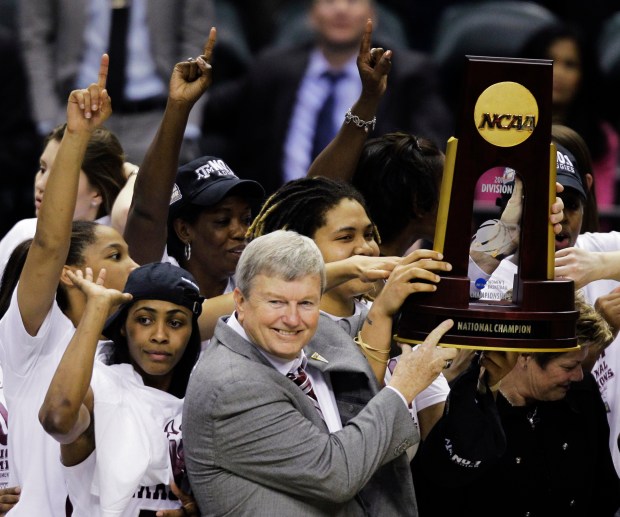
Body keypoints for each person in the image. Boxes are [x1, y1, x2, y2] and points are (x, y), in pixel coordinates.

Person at [183, 229, 458, 515]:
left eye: (306, 303)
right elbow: (336, 473)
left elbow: (366, 324)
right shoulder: (232, 386)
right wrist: (403, 389)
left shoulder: (311, 333)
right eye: (276, 302)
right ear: (240, 301)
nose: (291, 319)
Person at [0, 54, 137, 516]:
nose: (136, 266)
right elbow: (48, 243)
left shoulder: (139, 343)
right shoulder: (31, 339)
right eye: (117, 256)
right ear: (70, 270)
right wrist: (76, 134)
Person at [247, 176, 452, 441]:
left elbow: (442, 446)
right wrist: (380, 312)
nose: (366, 248)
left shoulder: (396, 319)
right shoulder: (286, 330)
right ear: (299, 249)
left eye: (368, 234)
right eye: (345, 237)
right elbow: (355, 436)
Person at [200, 6, 452, 195]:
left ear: (372, 14)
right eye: (330, 0)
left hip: (373, 225)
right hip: (276, 222)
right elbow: (213, 114)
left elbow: (431, 155)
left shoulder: (408, 74)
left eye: (352, 1)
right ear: (311, 14)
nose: (341, 9)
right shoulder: (271, 68)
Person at [413, 295, 620, 517]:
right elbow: (438, 493)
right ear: (524, 356)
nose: (579, 375)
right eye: (570, 365)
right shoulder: (468, 409)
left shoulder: (581, 395)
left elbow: (604, 491)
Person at [40, 262, 202, 515]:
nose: (159, 335)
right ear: (123, 328)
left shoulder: (206, 397)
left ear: (192, 332)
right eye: (144, 320)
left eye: (176, 323)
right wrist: (97, 307)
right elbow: (57, 419)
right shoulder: (103, 389)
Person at [18, 0, 215, 164]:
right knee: (71, 209)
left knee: (158, 208)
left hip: (157, 118)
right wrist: (47, 118)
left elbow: (196, 35)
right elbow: (35, 37)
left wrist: (187, 120)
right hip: (79, 112)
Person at [0, 122, 127, 278]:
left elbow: (126, 211)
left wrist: (133, 172)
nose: (40, 184)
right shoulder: (24, 232)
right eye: (42, 169)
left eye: (58, 176)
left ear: (97, 193)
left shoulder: (121, 243)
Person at [520, 22, 619, 212]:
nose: (558, 72)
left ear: (584, 75)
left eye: (570, 64)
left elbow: (597, 209)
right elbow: (490, 206)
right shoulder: (503, 124)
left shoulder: (602, 138)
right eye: (550, 60)